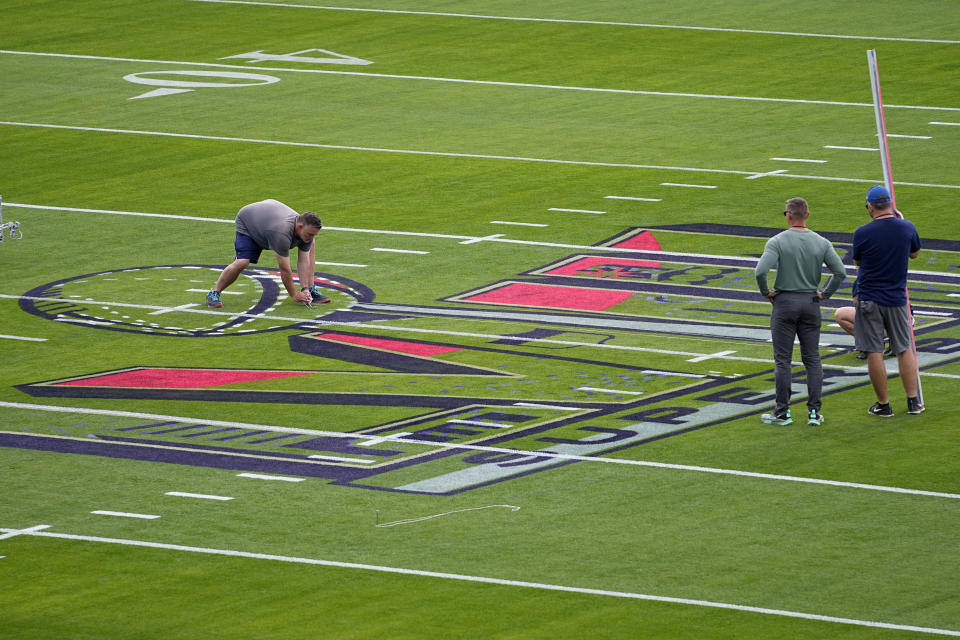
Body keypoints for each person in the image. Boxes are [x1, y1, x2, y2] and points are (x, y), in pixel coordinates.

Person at [755, 197, 846, 426]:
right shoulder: (821, 242)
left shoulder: (777, 241)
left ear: (788, 215)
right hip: (810, 302)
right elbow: (840, 272)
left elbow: (760, 271)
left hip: (785, 302)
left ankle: (783, 411)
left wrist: (767, 292)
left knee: (783, 361)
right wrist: (825, 294)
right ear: (807, 215)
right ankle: (814, 412)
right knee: (812, 359)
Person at [852, 185, 923, 417]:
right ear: (891, 205)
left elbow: (858, 264)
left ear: (870, 207)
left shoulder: (862, 233)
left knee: (874, 351)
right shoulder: (906, 227)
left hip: (870, 297)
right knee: (904, 348)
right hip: (897, 297)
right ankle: (913, 401)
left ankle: (884, 404)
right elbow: (914, 253)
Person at [206, 199, 330, 308]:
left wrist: (305, 289)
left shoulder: (305, 231)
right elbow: (285, 269)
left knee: (311, 244)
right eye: (310, 234)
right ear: (299, 226)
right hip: (248, 223)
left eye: (314, 234)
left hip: (266, 219)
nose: (311, 237)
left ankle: (311, 289)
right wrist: (294, 295)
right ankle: (214, 293)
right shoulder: (281, 233)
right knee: (243, 261)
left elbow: (303, 260)